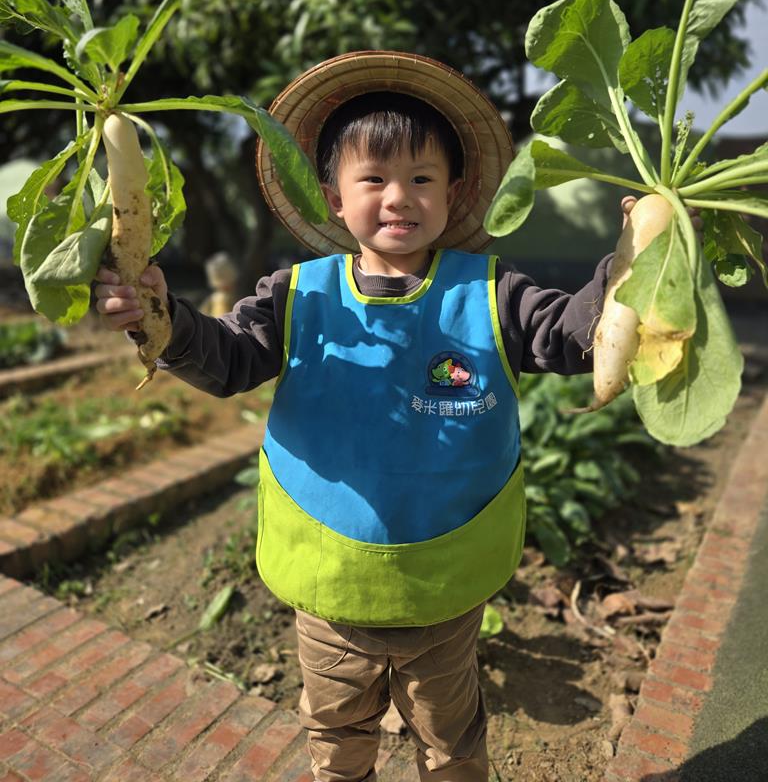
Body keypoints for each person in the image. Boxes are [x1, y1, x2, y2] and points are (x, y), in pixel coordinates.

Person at [95, 50, 628, 782]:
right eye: (373, 179)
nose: (398, 197)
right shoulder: (296, 293)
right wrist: (160, 317)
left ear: (454, 193)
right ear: (334, 199)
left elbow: (572, 336)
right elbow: (227, 359)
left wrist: (633, 261)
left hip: (445, 592)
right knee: (338, 738)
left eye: (422, 179)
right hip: (331, 594)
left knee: (451, 741)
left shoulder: (492, 292)